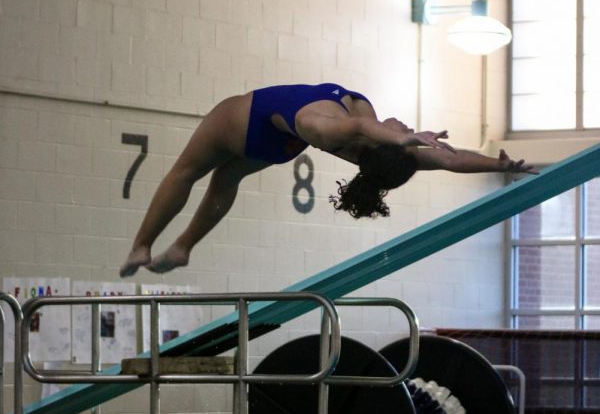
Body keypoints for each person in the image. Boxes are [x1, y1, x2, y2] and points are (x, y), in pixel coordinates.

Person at [119, 82, 537, 277]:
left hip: (244, 119)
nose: (405, 125)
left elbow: (364, 128)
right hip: (277, 144)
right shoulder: (380, 150)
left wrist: (403, 135)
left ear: (387, 143)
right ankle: (183, 247)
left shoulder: (338, 128)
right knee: (226, 182)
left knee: (187, 172)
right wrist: (500, 167)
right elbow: (451, 161)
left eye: (402, 133)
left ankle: (141, 246)